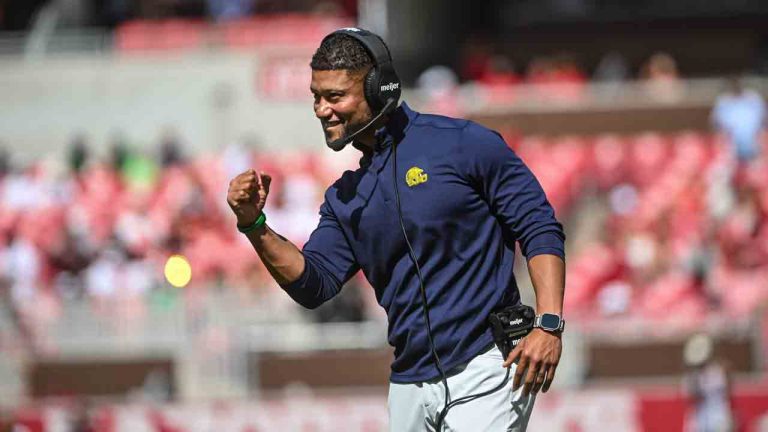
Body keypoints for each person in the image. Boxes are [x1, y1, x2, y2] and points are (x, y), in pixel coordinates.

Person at [226, 28, 566, 431]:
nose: (320, 109)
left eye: (335, 96)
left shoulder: (465, 145)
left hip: (487, 364)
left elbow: (539, 225)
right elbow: (312, 285)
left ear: (379, 88)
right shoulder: (345, 196)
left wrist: (549, 323)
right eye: (316, 96)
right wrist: (253, 224)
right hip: (408, 383)